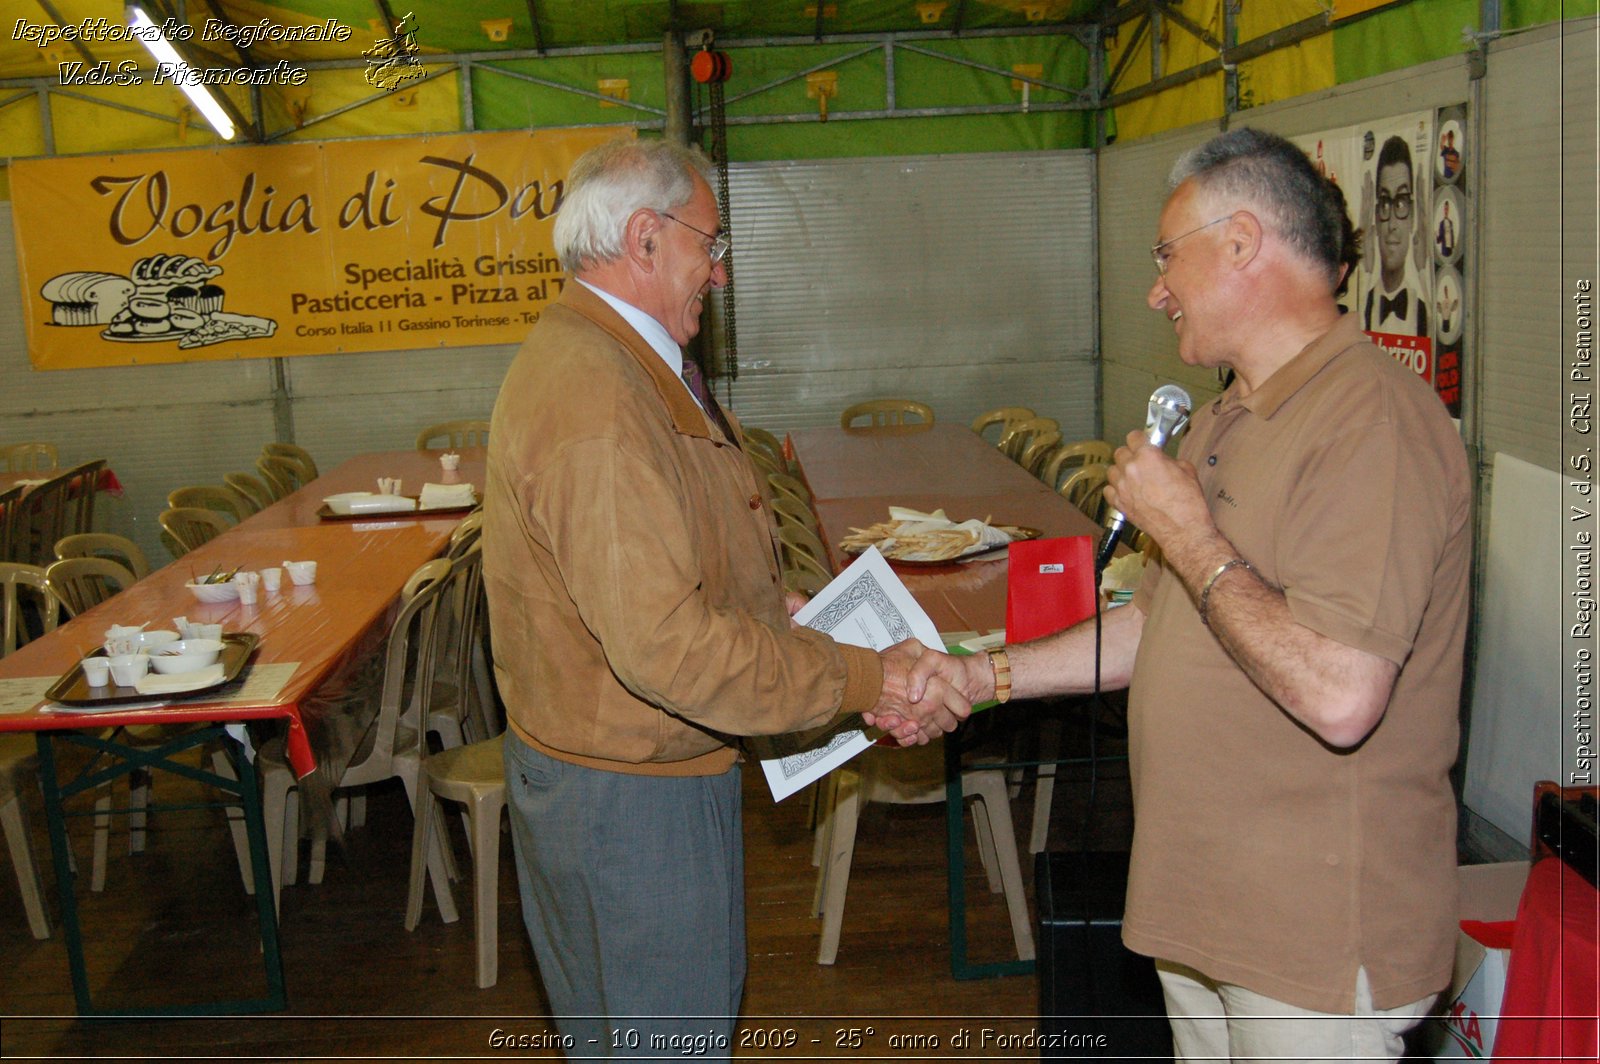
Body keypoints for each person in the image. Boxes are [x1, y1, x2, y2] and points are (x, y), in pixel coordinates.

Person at [909, 127, 1471, 1062]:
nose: (1155, 289)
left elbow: (1340, 693)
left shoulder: (1371, 422)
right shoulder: (1229, 413)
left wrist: (1188, 535)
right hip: (1209, 910)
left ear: (1243, 242)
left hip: (1311, 944)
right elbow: (1171, 621)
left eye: (1169, 256)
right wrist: (985, 678)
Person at [482, 136, 969, 1053]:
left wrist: (762, 607)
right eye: (712, 244)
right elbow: (665, 647)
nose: (720, 273)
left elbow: (660, 561)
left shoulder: (618, 361)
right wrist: (868, 680)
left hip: (628, 777)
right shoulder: (598, 397)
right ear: (645, 238)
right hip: (630, 808)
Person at [1363, 135, 1429, 336]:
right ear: (1375, 216)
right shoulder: (1362, 306)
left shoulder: (1424, 311)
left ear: (1412, 217)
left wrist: (1423, 272)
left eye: (1400, 203)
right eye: (1384, 203)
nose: (1391, 224)